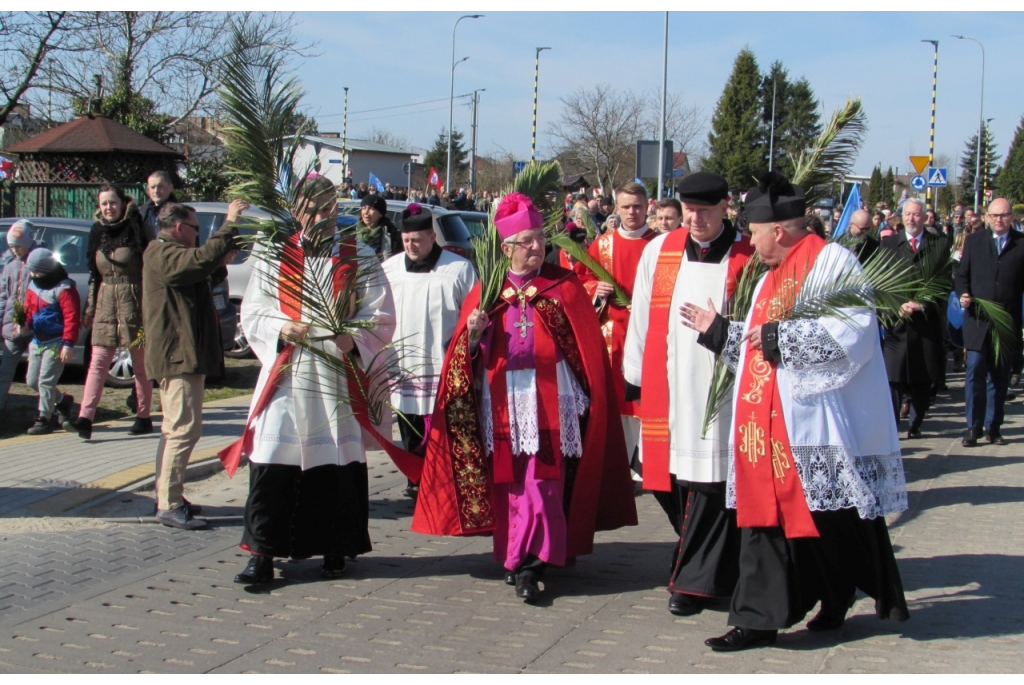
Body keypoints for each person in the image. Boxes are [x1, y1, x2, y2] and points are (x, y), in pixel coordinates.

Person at [681, 171, 908, 652]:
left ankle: (836, 594)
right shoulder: (768, 279)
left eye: (755, 232)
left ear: (778, 231)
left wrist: (778, 338)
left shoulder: (833, 263)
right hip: (764, 426)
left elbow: (854, 335)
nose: (751, 240)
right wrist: (720, 331)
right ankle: (758, 619)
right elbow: (758, 350)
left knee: (830, 521)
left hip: (814, 423)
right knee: (771, 524)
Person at [412, 192, 637, 603]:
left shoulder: (563, 286)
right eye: (527, 241)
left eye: (539, 238)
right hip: (500, 403)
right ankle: (516, 555)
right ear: (506, 247)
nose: (537, 247)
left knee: (542, 479)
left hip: (553, 398)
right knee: (508, 480)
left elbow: (582, 348)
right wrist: (475, 333)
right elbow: (464, 358)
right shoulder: (487, 292)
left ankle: (530, 563)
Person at [229, 177, 398, 584]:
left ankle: (335, 546)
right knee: (271, 457)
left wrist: (353, 338)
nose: (320, 215)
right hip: (289, 370)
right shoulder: (275, 254)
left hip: (334, 374)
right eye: (311, 207)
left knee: (335, 462)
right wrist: (284, 327)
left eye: (327, 206)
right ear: (297, 209)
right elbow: (253, 311)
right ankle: (263, 552)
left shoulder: (358, 256)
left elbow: (381, 314)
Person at [623, 170, 753, 617]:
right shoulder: (660, 250)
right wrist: (633, 372)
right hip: (671, 386)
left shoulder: (746, 257)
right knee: (670, 481)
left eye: (704, 210)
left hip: (723, 390)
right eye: (689, 210)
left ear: (725, 207)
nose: (694, 219)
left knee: (711, 486)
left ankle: (692, 581)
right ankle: (700, 562)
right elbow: (642, 311)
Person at [144, 201, 239, 530]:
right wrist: (228, 225)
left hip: (181, 354)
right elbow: (194, 263)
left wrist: (223, 257)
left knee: (175, 430)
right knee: (184, 430)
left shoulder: (169, 254)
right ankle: (168, 502)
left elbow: (201, 270)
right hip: (176, 356)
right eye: (196, 229)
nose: (199, 236)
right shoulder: (161, 253)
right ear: (179, 228)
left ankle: (167, 496)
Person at [383, 203, 477, 498]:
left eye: (418, 240)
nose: (411, 246)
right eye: (406, 240)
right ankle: (415, 479)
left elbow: (472, 311)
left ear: (432, 237)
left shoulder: (458, 268)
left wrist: (469, 340)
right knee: (409, 424)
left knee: (439, 428)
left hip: (441, 359)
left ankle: (442, 480)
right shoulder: (390, 269)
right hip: (403, 360)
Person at [574, 182, 658, 477]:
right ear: (617, 209)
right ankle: (621, 464)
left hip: (651, 335)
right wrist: (597, 289)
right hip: (613, 333)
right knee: (617, 399)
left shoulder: (660, 244)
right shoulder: (604, 245)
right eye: (626, 207)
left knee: (646, 399)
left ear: (648, 206)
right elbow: (579, 281)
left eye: (637, 206)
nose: (632, 212)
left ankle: (645, 465)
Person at [64, 185, 153, 440]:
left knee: (140, 363)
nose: (108, 208)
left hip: (134, 300)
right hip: (105, 301)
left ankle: (143, 416)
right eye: (104, 204)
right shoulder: (97, 231)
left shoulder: (137, 227)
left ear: (123, 203)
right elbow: (94, 275)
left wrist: (150, 306)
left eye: (112, 202)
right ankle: (85, 418)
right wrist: (90, 308)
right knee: (98, 361)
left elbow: (150, 268)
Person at [955, 197, 1024, 446]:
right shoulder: (975, 241)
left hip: (1005, 323)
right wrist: (963, 293)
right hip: (977, 320)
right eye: (994, 215)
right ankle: (973, 427)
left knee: (1000, 376)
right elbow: (962, 275)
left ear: (1011, 218)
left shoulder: (1021, 244)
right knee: (974, 370)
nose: (999, 220)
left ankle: (993, 427)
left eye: (1004, 215)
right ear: (986, 217)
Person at [880, 198, 950, 439]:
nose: (911, 218)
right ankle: (892, 426)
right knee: (894, 379)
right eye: (907, 214)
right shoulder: (889, 244)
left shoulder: (939, 245)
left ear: (924, 217)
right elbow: (880, 283)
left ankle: (915, 424)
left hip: (924, 325)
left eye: (916, 215)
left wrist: (922, 304)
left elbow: (944, 284)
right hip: (896, 325)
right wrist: (893, 306)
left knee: (921, 379)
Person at [1, 221, 73, 419]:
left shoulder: (42, 261)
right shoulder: (9, 264)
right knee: (5, 371)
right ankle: (59, 402)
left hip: (39, 328)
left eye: (18, 245)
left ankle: (45, 415)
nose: (15, 249)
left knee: (40, 378)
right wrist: (3, 323)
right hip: (13, 326)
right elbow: (4, 297)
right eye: (12, 245)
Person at [19, 249, 81, 435]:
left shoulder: (64, 289)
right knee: (32, 381)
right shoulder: (33, 286)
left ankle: (44, 417)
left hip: (56, 342)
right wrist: (25, 324)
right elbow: (29, 309)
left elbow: (71, 317)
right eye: (32, 271)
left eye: (37, 272)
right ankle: (62, 401)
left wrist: (68, 344)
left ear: (47, 270)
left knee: (46, 381)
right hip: (38, 340)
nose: (33, 275)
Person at [356, 194, 400, 260]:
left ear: (380, 213)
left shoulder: (390, 234)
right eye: (364, 208)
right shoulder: (353, 232)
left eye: (371, 208)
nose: (366, 212)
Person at [140, 170, 177, 241]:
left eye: (160, 186)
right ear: (148, 190)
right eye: (152, 187)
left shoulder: (180, 214)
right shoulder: (142, 213)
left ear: (171, 188)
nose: (156, 191)